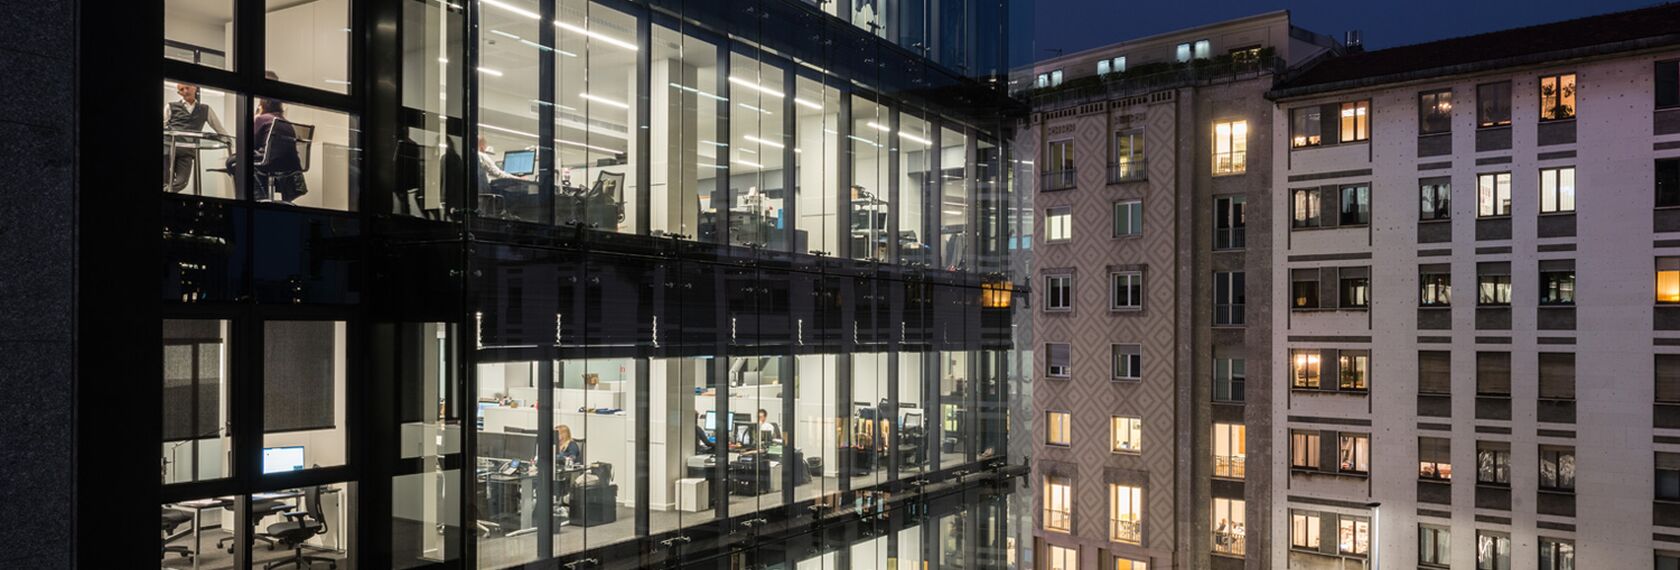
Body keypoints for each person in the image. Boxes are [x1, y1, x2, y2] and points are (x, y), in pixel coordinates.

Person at [162, 83, 228, 192]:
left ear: (195, 88)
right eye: (181, 90)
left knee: (182, 182)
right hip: (168, 148)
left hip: (188, 150)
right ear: (179, 93)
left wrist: (228, 140)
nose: (185, 91)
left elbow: (218, 127)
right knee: (164, 180)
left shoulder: (205, 109)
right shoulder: (170, 106)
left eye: (187, 88)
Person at [249, 98, 308, 202]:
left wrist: (256, 116)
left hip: (269, 162)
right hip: (290, 166)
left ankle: (257, 198)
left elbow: (251, 144)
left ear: (262, 106)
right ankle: (263, 197)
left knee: (234, 161)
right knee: (259, 161)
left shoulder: (261, 119)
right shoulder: (286, 122)